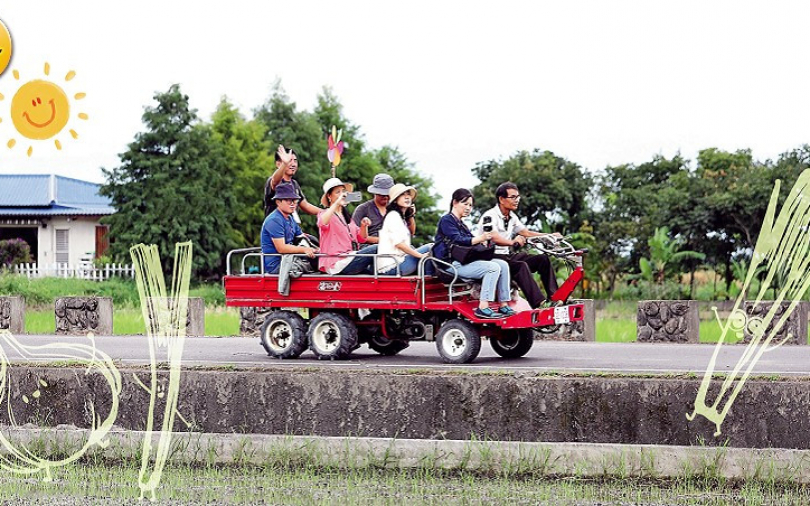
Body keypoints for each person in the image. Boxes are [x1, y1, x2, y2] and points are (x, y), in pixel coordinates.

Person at [433, 188, 516, 319]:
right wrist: (480, 238)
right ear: (454, 202)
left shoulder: (462, 224)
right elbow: (458, 239)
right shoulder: (446, 220)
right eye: (465, 204)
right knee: (493, 268)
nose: (468, 208)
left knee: (503, 265)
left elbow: (470, 242)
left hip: (464, 261)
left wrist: (483, 243)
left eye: (470, 205)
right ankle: (483, 307)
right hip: (451, 264)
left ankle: (503, 303)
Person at [476, 182, 560, 308]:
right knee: (521, 266)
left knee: (542, 259)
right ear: (501, 199)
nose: (517, 200)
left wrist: (549, 235)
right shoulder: (490, 216)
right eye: (513, 197)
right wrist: (513, 242)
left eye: (518, 197)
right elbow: (493, 237)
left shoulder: (511, 217)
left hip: (507, 255)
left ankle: (555, 298)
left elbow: (525, 232)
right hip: (492, 257)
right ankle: (540, 304)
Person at [317, 177, 378, 275]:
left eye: (343, 192)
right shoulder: (324, 214)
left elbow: (362, 238)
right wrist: (337, 202)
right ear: (329, 196)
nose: (342, 195)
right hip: (336, 262)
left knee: (375, 271)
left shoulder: (347, 218)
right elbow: (322, 223)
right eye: (338, 192)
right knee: (376, 248)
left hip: (350, 258)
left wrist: (364, 225)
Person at [261, 182, 317, 274]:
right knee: (311, 264)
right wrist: (304, 250)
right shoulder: (274, 220)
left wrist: (316, 248)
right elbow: (281, 248)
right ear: (278, 202)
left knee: (320, 260)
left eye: (295, 201)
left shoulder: (290, 218)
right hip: (277, 265)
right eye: (288, 200)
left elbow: (301, 237)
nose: (293, 204)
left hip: (289, 259)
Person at [377, 184, 433, 276]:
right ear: (395, 200)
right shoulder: (393, 216)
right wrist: (420, 255)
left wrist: (411, 215)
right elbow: (399, 244)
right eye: (402, 195)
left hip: (400, 261)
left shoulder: (400, 218)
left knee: (431, 248)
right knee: (430, 247)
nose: (407, 197)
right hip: (392, 266)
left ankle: (428, 278)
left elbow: (412, 232)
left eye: (408, 194)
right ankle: (427, 279)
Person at [351, 173, 416, 243]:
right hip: (371, 248)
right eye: (381, 194)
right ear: (375, 193)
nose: (385, 197)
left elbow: (410, 233)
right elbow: (355, 235)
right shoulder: (363, 209)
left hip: (396, 246)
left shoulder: (397, 208)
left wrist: (409, 215)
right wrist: (383, 241)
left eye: (387, 194)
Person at [263, 145, 321, 219]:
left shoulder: (294, 184)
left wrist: (327, 212)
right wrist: (285, 163)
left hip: (290, 227)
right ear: (278, 164)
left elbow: (306, 206)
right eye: (290, 160)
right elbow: (274, 181)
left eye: (295, 161)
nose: (293, 164)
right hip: (276, 227)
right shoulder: (274, 181)